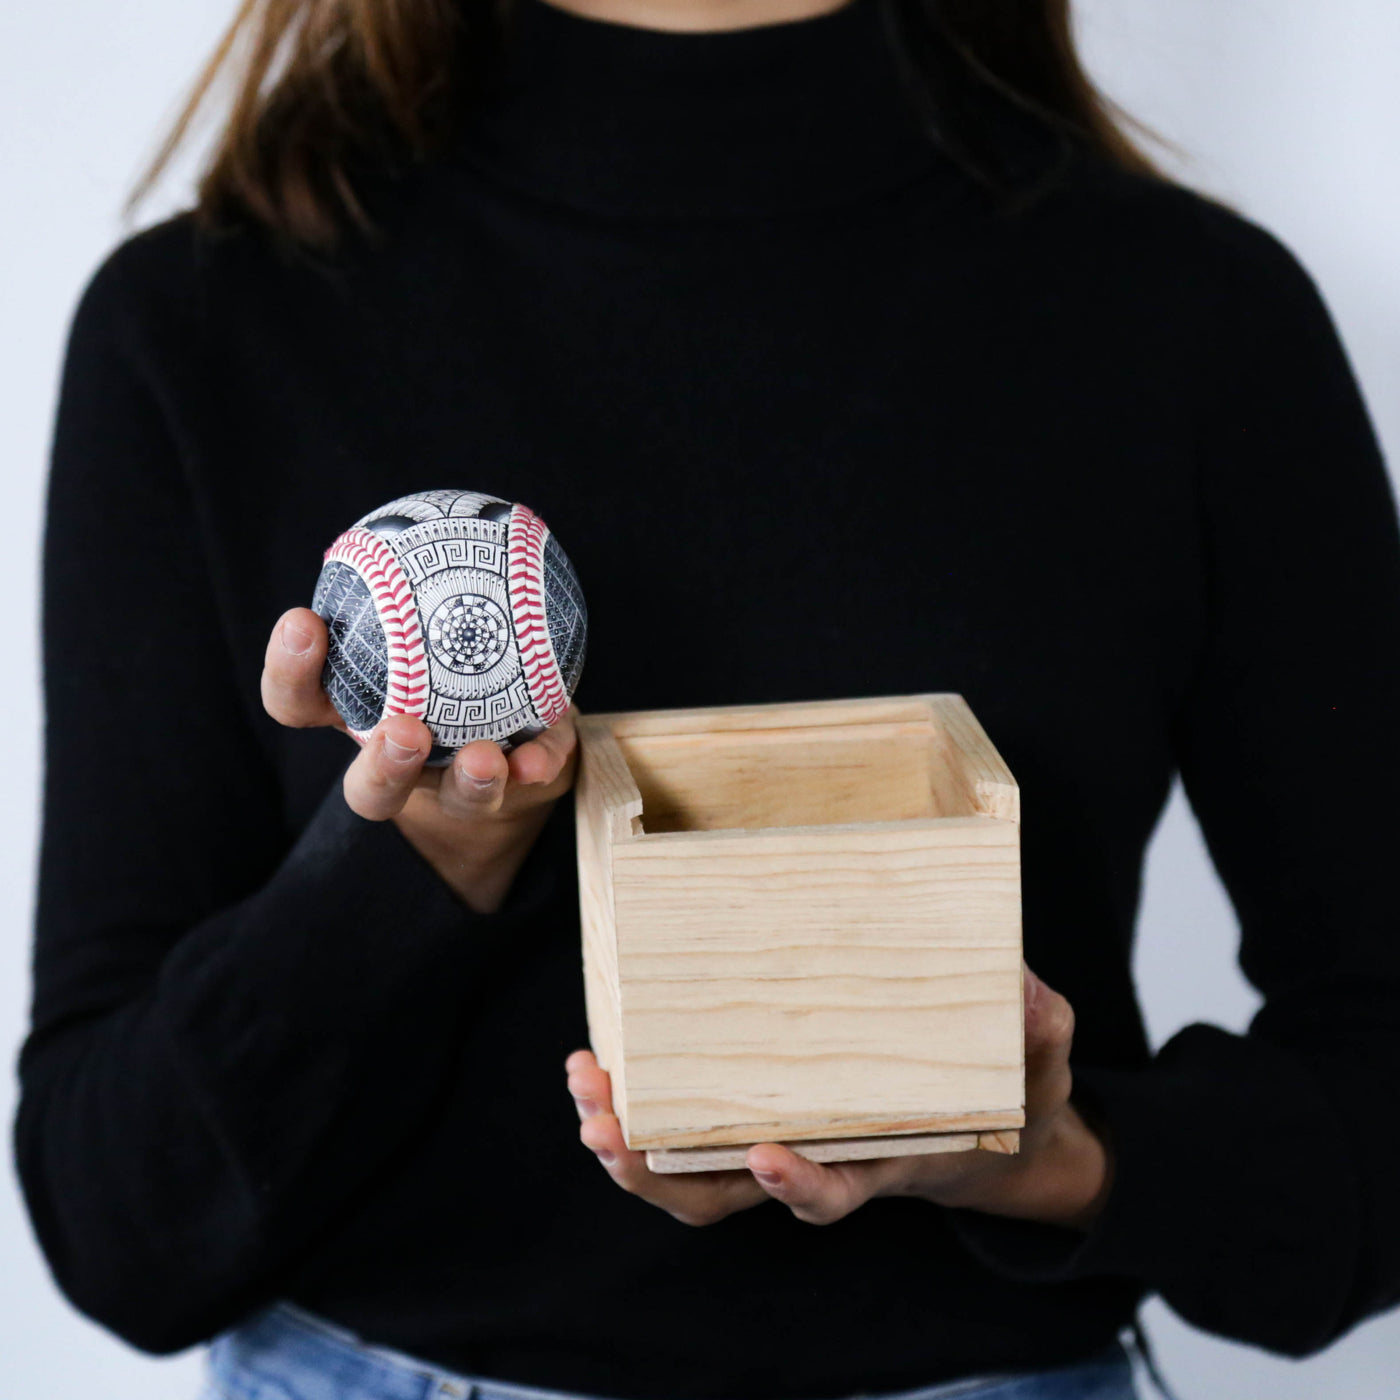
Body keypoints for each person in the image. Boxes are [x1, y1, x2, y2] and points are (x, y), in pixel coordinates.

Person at [16, 0, 1400, 1396]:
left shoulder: (1190, 314)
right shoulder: (208, 319)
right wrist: (421, 858)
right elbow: (120, 1226)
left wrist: (1051, 1160)